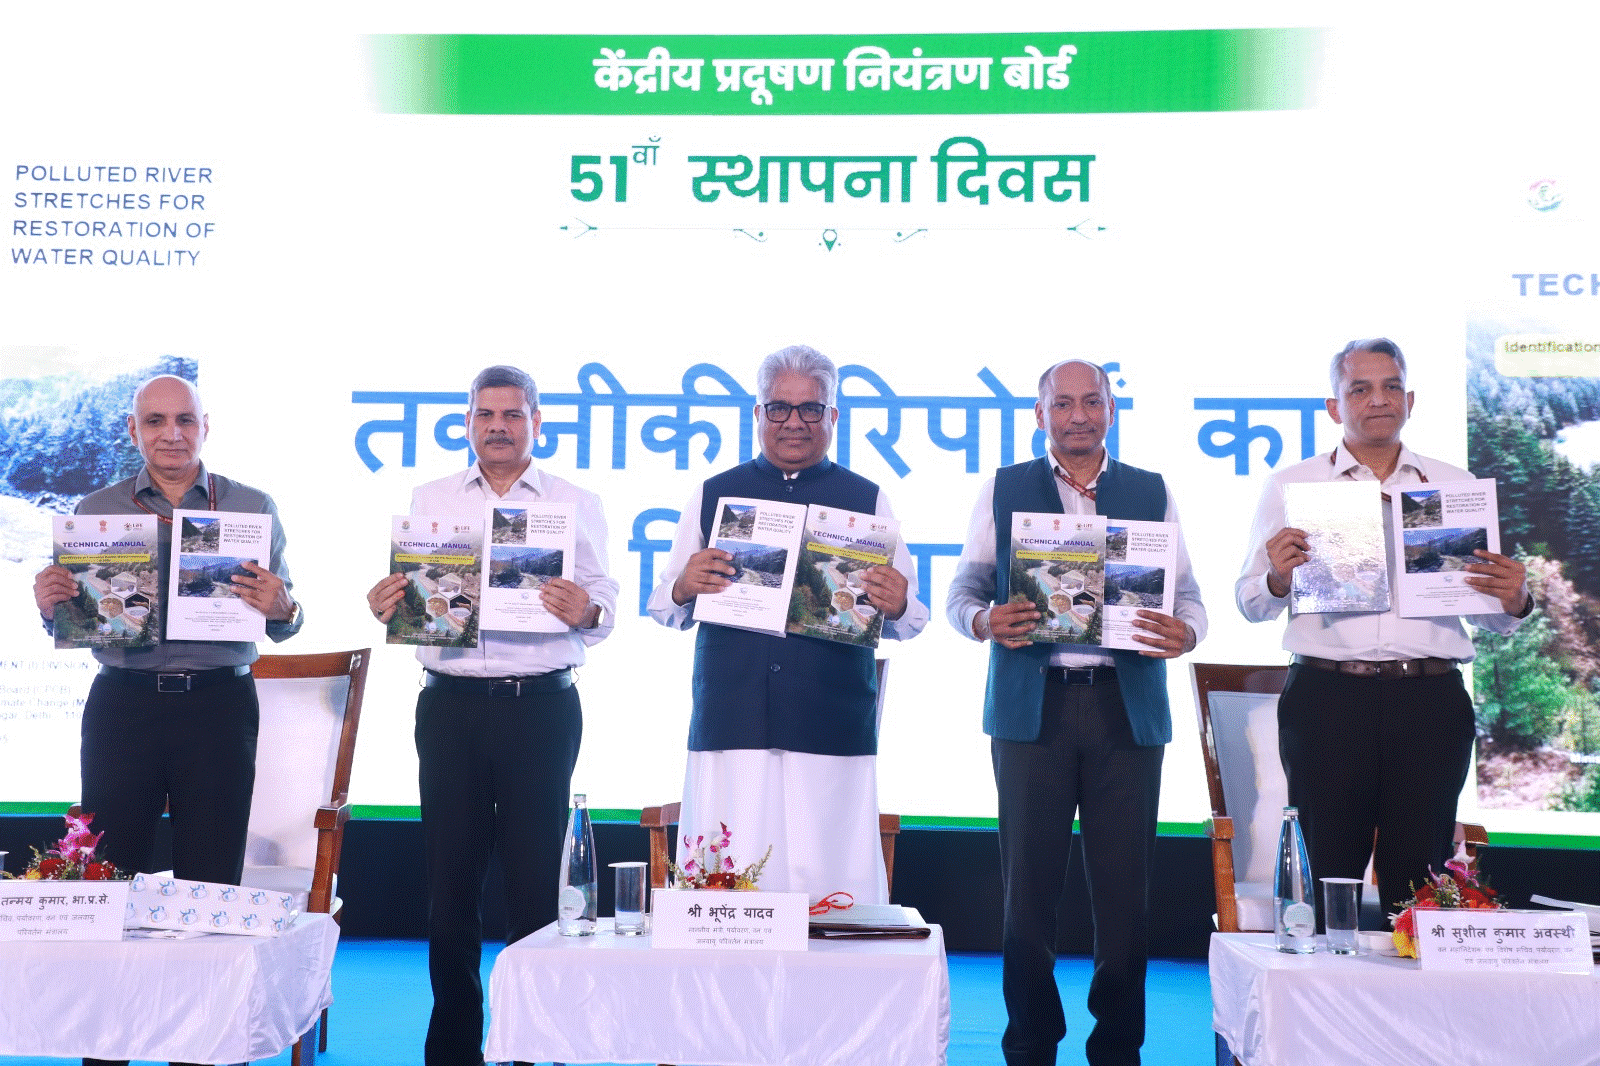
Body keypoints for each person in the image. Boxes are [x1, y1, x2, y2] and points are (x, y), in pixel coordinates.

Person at [31, 374, 303, 1066]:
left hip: (219, 704)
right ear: (134, 432)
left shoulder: (250, 507)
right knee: (108, 884)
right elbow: (70, 619)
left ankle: (203, 1051)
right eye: (155, 421)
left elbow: (288, 620)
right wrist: (49, 602)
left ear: (206, 426)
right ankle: (106, 1051)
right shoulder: (96, 511)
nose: (171, 433)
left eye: (184, 419)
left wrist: (282, 606)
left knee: (211, 884)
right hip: (124, 705)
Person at [946, 359, 1206, 1066]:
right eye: (1064, 404)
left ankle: (1117, 1049)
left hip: (1127, 713)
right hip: (1035, 711)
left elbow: (1189, 603)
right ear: (1041, 415)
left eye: (1093, 401)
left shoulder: (1150, 491)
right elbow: (963, 591)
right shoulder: (1004, 489)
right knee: (1026, 904)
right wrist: (981, 621)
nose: (1079, 416)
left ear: (1112, 410)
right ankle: (1031, 1045)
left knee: (1125, 906)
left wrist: (1186, 633)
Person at [366, 364, 616, 1066]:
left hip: (540, 707)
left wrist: (587, 609)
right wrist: (389, 603)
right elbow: (410, 598)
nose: (498, 426)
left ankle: (533, 1044)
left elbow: (604, 603)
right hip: (449, 709)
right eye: (485, 415)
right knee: (450, 886)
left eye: (512, 414)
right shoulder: (432, 498)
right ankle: (452, 1048)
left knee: (536, 886)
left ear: (537, 421)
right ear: (469, 422)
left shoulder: (573, 502)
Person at [1236, 337, 1534, 918]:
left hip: (1429, 699)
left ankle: (1412, 1006)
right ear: (1334, 407)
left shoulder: (1453, 485)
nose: (1379, 400)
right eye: (1360, 388)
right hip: (1328, 698)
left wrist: (1515, 597)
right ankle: (1323, 1004)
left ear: (1411, 400)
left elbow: (1494, 619)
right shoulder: (1293, 487)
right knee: (1329, 873)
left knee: (1421, 878)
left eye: (1391, 386)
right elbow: (1251, 604)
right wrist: (1275, 576)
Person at [647, 344, 928, 904]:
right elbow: (663, 605)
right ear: (757, 415)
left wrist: (896, 604)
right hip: (733, 718)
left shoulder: (867, 499)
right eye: (778, 408)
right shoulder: (713, 493)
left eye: (810, 409)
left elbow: (911, 617)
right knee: (728, 885)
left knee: (831, 892)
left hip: (830, 722)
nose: (794, 422)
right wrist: (683, 585)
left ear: (834, 418)